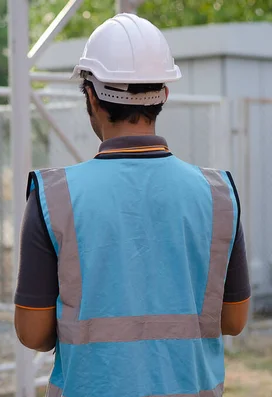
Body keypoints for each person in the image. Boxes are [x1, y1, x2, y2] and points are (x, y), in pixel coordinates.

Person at [13, 13, 251, 397]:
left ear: (91, 96)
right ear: (164, 94)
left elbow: (32, 332)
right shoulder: (219, 193)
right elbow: (234, 319)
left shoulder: (52, 195)